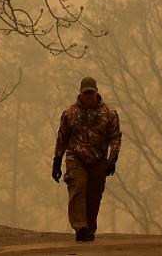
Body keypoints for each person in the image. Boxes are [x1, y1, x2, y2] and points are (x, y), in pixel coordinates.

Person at [52, 76, 122, 242]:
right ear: (80, 93)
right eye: (86, 93)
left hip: (98, 159)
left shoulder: (109, 113)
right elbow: (61, 138)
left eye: (91, 93)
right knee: (78, 186)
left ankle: (89, 228)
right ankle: (80, 226)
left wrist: (113, 157)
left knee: (94, 194)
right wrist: (56, 161)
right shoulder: (70, 113)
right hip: (75, 157)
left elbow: (115, 137)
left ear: (96, 92)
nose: (89, 96)